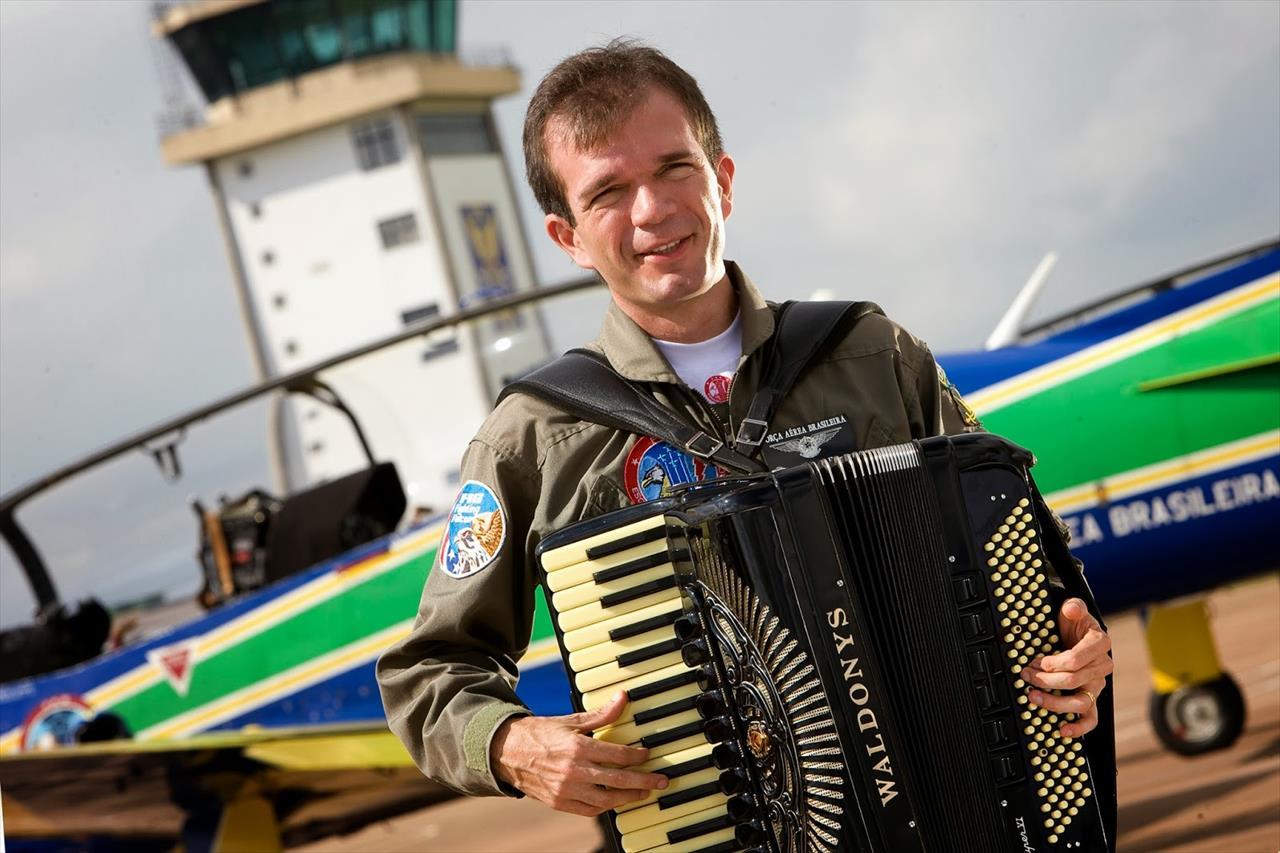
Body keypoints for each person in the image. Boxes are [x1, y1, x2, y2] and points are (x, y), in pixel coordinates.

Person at [377, 40, 1114, 819]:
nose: (652, 210)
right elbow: (432, 669)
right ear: (568, 239)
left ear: (723, 180)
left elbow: (1029, 561)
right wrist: (511, 743)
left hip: (962, 810)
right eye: (608, 193)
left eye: (674, 169)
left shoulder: (874, 353)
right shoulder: (535, 437)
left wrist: (1075, 643)